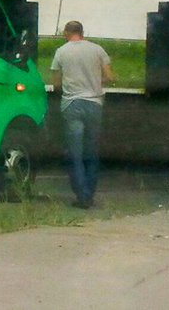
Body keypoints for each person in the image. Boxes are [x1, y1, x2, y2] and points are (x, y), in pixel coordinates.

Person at [50, 20, 115, 209]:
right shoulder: (97, 49)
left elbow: (56, 84)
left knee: (75, 153)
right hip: (94, 104)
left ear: (66, 33)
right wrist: (95, 82)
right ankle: (90, 194)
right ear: (82, 32)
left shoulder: (61, 52)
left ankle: (82, 196)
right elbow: (110, 77)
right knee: (91, 151)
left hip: (72, 105)